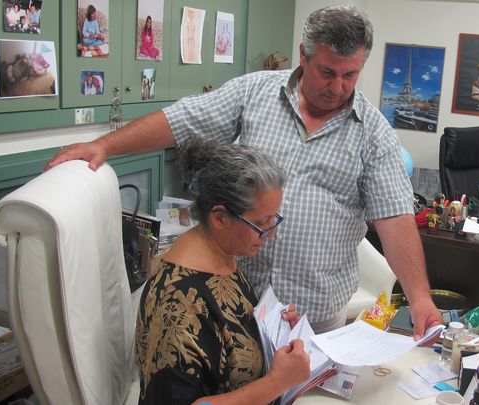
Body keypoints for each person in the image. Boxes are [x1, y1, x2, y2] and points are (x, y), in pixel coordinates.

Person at [47, 5, 442, 339]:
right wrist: (105, 146)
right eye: (327, 72)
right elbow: (182, 121)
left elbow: (396, 221)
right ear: (303, 57)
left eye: (350, 75)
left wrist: (421, 299)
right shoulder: (254, 92)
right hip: (238, 298)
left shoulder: (374, 134)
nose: (338, 87)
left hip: (315, 316)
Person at [136, 138, 310, 404]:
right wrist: (276, 382)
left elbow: (229, 337)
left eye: (274, 219)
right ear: (219, 217)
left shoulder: (222, 259)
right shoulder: (179, 303)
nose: (271, 234)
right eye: (262, 223)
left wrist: (276, 332)